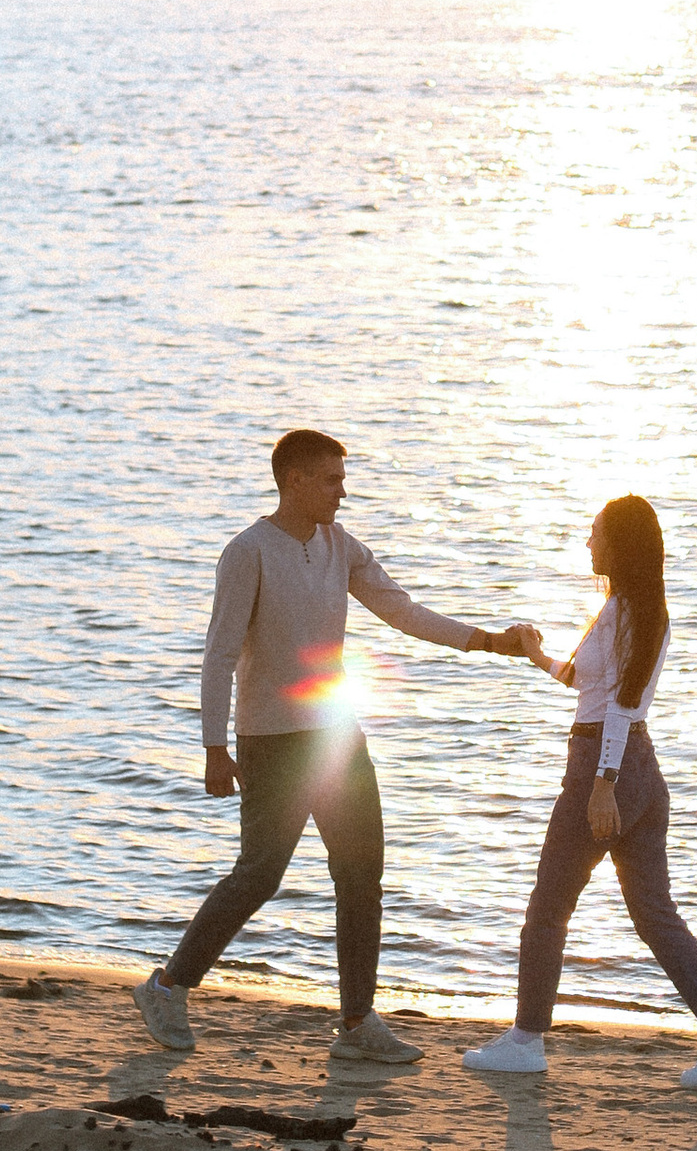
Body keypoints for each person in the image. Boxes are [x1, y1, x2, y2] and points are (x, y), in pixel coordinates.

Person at [133, 427, 538, 1067]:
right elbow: (218, 654)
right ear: (294, 480)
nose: (342, 491)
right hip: (270, 740)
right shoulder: (248, 553)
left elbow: (402, 610)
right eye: (331, 479)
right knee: (260, 875)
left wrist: (488, 641)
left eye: (342, 478)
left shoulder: (340, 546)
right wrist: (214, 746)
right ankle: (166, 987)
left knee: (360, 874)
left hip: (337, 735)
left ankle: (355, 1022)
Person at [463, 494, 697, 1088]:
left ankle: (525, 1040)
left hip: (608, 767)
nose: (587, 542)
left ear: (619, 545)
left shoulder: (632, 612)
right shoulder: (628, 607)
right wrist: (535, 654)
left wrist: (602, 784)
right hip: (640, 772)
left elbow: (622, 705)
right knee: (654, 914)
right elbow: (586, 682)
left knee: (548, 907)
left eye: (595, 533)